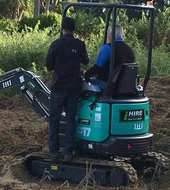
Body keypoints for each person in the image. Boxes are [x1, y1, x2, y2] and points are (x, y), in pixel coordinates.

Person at [43, 17, 89, 161]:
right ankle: (68, 152)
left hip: (59, 86)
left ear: (62, 28)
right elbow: (86, 61)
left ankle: (54, 150)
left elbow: (49, 65)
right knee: (71, 119)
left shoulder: (56, 44)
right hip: (74, 87)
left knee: (54, 119)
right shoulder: (80, 44)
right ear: (73, 29)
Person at [84, 24, 134, 90]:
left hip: (107, 84)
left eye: (107, 33)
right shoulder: (130, 50)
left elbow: (97, 68)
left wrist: (85, 74)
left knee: (83, 84)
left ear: (110, 34)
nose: (107, 35)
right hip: (124, 86)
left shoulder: (108, 48)